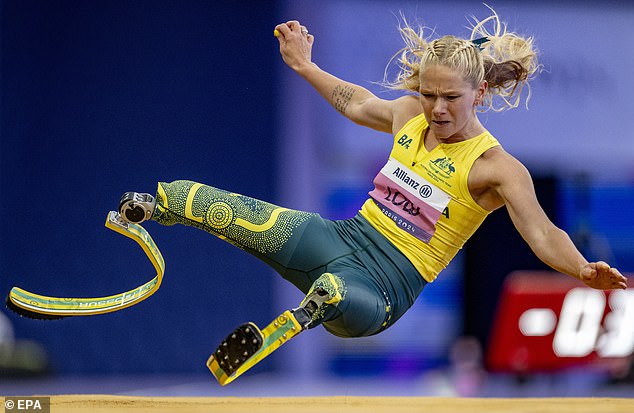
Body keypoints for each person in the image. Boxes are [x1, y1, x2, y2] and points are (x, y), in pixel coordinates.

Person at [117, 8, 627, 378]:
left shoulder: (497, 169)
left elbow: (542, 232)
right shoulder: (409, 115)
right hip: (341, 240)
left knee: (335, 294)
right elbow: (358, 104)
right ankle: (142, 209)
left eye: (451, 97)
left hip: (385, 288)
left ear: (481, 94)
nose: (438, 109)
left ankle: (299, 318)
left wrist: (581, 269)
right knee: (199, 199)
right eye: (429, 94)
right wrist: (305, 66)